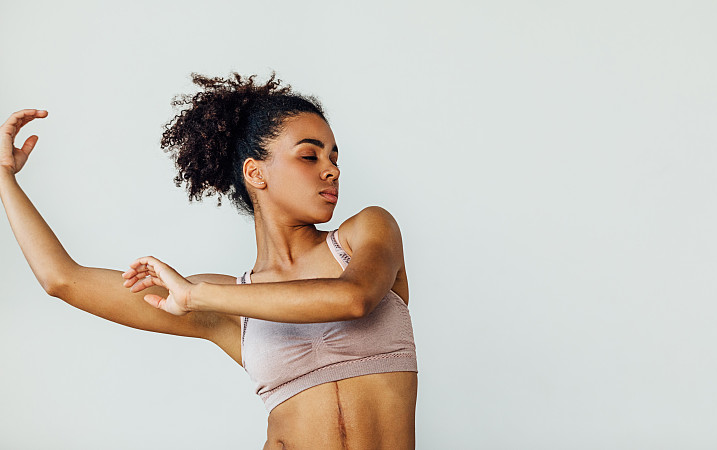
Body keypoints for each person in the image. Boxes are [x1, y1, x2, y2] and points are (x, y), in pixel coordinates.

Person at [0, 71, 418, 450]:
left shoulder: (367, 232)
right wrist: (4, 178)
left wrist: (197, 294)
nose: (332, 171)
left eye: (334, 158)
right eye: (310, 156)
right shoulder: (227, 307)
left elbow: (353, 297)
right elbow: (63, 279)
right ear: (256, 173)